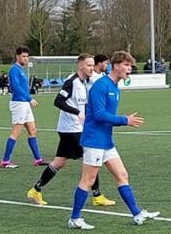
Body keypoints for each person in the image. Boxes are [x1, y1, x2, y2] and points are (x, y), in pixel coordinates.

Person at [68, 51, 159, 230]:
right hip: (94, 140)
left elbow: (106, 117)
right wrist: (125, 120)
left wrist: (123, 120)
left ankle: (137, 214)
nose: (129, 69)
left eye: (130, 66)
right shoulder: (101, 86)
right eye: (126, 65)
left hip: (105, 141)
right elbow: (100, 115)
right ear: (116, 65)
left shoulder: (114, 88)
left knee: (122, 175)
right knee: (88, 179)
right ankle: (74, 218)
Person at [26, 54, 115, 208]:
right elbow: (58, 101)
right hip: (71, 129)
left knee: (59, 162)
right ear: (80, 65)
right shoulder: (71, 82)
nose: (91, 68)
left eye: (92, 65)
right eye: (88, 65)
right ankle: (97, 195)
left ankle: (35, 190)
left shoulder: (85, 82)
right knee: (92, 158)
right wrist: (76, 112)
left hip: (72, 129)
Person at [0, 46, 46, 168]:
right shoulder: (14, 69)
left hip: (24, 104)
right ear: (17, 56)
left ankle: (37, 159)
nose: (26, 59)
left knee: (32, 130)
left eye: (27, 56)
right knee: (16, 132)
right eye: (23, 56)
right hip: (19, 103)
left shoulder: (20, 70)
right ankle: (5, 161)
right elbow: (15, 87)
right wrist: (29, 98)